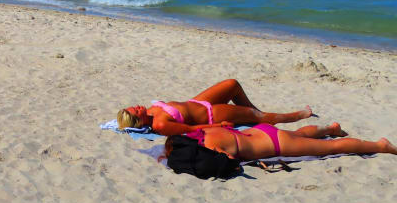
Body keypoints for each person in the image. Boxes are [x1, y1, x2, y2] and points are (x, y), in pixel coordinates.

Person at [117, 79, 313, 136]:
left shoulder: (150, 113)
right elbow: (190, 129)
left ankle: (257, 115)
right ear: (138, 120)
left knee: (232, 84)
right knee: (255, 115)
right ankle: (297, 116)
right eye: (135, 110)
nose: (137, 106)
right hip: (211, 115)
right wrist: (218, 126)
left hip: (198, 102)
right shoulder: (160, 125)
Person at [165, 121, 397, 162]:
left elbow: (229, 159)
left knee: (331, 148)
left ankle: (380, 146)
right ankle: (329, 128)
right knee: (299, 134)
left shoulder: (208, 147)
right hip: (262, 131)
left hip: (275, 146)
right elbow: (226, 124)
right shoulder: (206, 132)